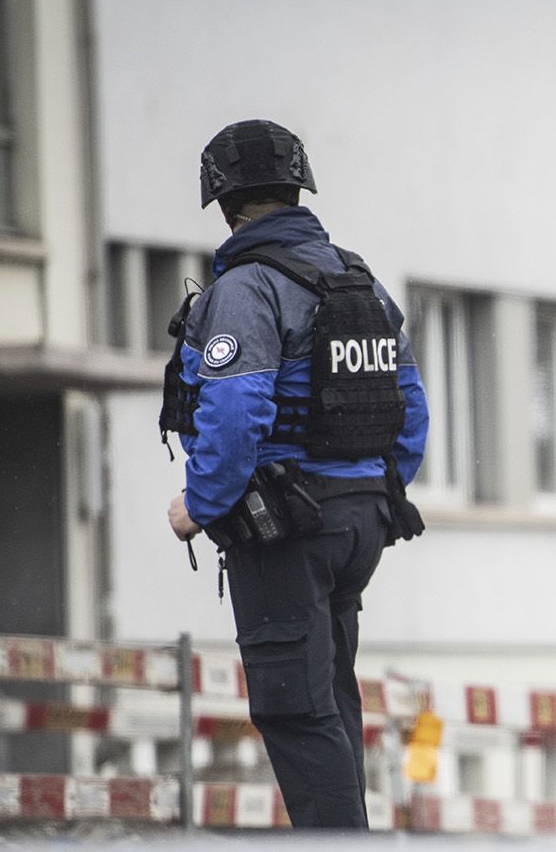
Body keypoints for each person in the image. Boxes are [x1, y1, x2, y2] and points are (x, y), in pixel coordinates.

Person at [160, 119, 428, 829]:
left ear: (223, 203)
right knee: (331, 701)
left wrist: (200, 501)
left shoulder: (249, 288)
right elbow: (412, 409)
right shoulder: (356, 279)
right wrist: (369, 484)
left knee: (297, 711)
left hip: (287, 528)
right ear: (297, 186)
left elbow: (236, 406)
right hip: (359, 519)